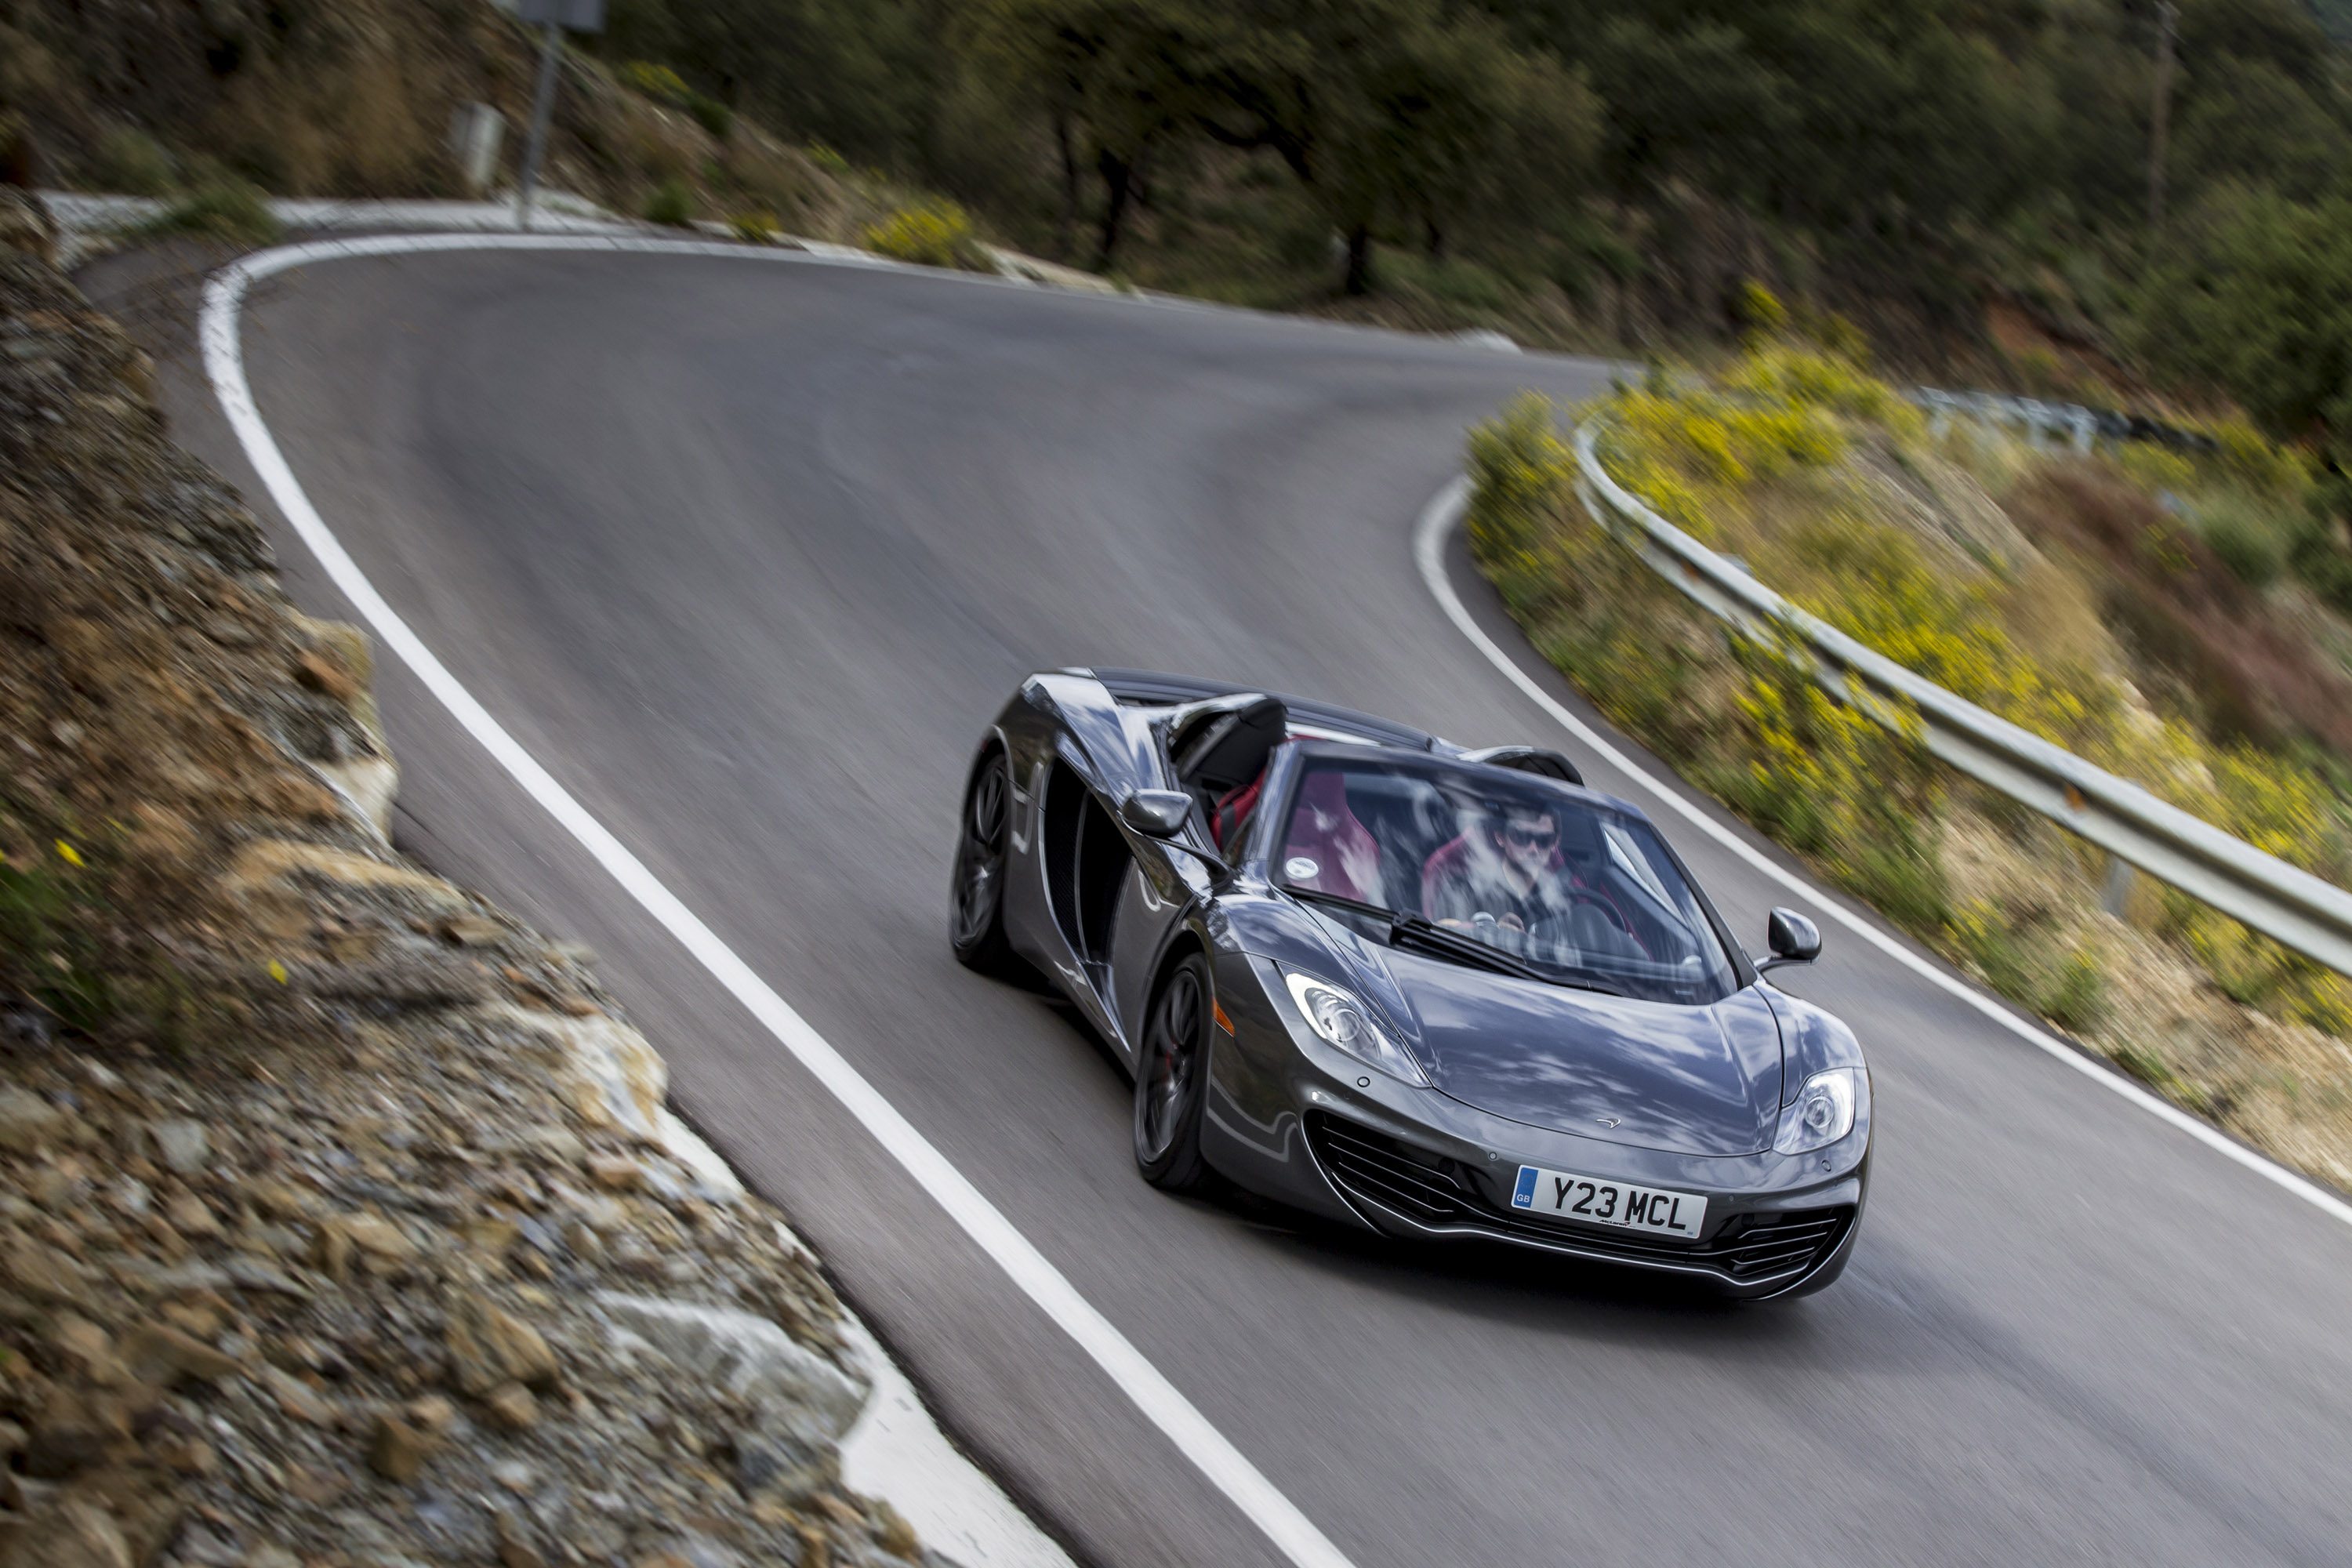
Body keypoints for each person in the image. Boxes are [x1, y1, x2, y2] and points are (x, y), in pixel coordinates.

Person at [1421, 802, 1573, 934]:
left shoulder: (1562, 901)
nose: (1533, 849)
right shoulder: (1465, 890)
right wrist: (1491, 935)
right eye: (1522, 837)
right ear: (1500, 837)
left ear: (1555, 842)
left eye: (1544, 840)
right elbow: (1440, 935)